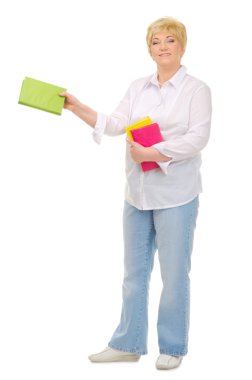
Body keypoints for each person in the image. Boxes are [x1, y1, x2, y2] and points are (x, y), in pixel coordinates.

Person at [60, 16, 212, 370]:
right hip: (137, 195)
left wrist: (154, 153)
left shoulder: (197, 90)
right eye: (156, 41)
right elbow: (116, 123)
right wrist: (77, 106)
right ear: (149, 49)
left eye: (170, 40)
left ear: (182, 46)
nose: (163, 46)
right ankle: (128, 342)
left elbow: (198, 138)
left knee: (174, 274)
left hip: (177, 195)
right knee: (134, 273)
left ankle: (173, 346)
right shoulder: (137, 87)